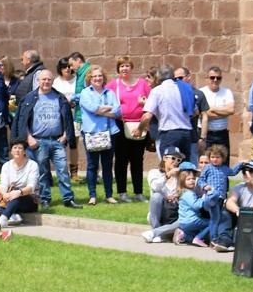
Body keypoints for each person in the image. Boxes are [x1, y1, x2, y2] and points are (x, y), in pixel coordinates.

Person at [16, 69, 80, 209]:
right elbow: (22, 121)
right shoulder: (29, 98)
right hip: (39, 141)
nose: (46, 82)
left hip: (57, 141)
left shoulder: (60, 97)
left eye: (49, 79)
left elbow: (67, 119)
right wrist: (29, 138)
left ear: (52, 81)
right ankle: (45, 199)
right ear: (38, 81)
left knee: (63, 170)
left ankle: (68, 199)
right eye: (43, 79)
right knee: (42, 172)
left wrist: (65, 136)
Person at [105, 56, 151, 203]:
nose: (124, 69)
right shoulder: (114, 85)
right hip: (120, 125)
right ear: (118, 69)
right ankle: (122, 192)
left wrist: (145, 103)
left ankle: (138, 192)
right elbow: (104, 99)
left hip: (140, 125)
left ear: (132, 68)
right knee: (121, 160)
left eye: (127, 66)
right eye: (121, 66)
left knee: (137, 160)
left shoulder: (142, 84)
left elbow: (152, 102)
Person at [80, 66, 120, 205]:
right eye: (94, 76)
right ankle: (92, 195)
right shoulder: (85, 93)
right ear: (89, 79)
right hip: (91, 133)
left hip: (110, 133)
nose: (97, 78)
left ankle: (109, 195)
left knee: (108, 165)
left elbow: (117, 110)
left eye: (100, 76)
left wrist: (101, 110)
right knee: (92, 166)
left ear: (103, 78)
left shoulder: (110, 93)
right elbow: (92, 108)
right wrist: (107, 109)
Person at [137, 66, 194, 158]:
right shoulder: (184, 88)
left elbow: (147, 116)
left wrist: (139, 130)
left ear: (158, 77)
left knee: (168, 166)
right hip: (186, 132)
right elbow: (194, 111)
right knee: (185, 167)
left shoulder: (158, 90)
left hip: (169, 133)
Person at [216, 158, 253, 251]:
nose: (246, 174)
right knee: (225, 211)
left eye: (250, 171)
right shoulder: (238, 187)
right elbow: (230, 201)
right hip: (242, 215)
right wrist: (237, 210)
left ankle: (252, 243)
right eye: (244, 171)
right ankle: (225, 240)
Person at [141, 146, 186, 243]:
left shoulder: (180, 176)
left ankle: (155, 233)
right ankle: (157, 230)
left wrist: (177, 195)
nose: (176, 162)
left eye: (179, 160)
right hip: (159, 212)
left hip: (174, 211)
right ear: (165, 158)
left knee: (187, 216)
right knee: (156, 196)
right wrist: (168, 175)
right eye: (173, 158)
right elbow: (155, 186)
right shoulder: (154, 173)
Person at [196, 144, 232, 247]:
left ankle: (211, 238)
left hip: (221, 198)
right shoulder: (208, 168)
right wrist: (205, 186)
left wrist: (241, 165)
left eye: (217, 157)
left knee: (217, 218)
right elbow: (201, 180)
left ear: (223, 158)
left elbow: (233, 172)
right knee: (215, 218)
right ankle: (214, 239)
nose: (215, 159)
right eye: (212, 157)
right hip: (211, 196)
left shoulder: (225, 169)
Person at [0, 139, 40, 226]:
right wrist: (4, 193)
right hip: (9, 198)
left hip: (28, 200)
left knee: (16, 195)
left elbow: (31, 187)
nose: (17, 150)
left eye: (20, 148)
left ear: (24, 151)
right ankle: (13, 215)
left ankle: (4, 218)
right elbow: (3, 184)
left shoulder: (32, 165)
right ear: (11, 151)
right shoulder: (6, 166)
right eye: (15, 148)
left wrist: (19, 192)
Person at [52, 57, 80, 182]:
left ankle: (74, 172)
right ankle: (62, 172)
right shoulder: (56, 82)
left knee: (74, 144)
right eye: (64, 67)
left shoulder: (77, 80)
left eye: (69, 66)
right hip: (61, 117)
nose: (67, 69)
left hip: (75, 115)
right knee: (61, 144)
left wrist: (74, 101)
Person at [175, 66, 209, 163]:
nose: (178, 80)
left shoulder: (198, 94)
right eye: (175, 79)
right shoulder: (172, 93)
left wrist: (202, 138)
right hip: (176, 136)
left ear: (188, 77)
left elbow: (205, 117)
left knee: (192, 166)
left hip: (192, 137)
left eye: (180, 78)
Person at [200, 66, 234, 159]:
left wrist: (212, 109)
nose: (215, 80)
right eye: (212, 77)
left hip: (222, 134)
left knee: (224, 161)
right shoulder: (201, 92)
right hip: (207, 134)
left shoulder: (227, 92)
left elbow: (231, 110)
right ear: (207, 78)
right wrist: (223, 112)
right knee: (206, 162)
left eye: (218, 78)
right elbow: (202, 114)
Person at [175, 162, 210, 246]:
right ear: (182, 180)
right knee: (212, 222)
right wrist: (204, 197)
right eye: (188, 179)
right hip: (191, 221)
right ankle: (198, 238)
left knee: (190, 239)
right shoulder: (188, 193)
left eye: (193, 179)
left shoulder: (183, 192)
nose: (192, 181)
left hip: (183, 222)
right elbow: (196, 205)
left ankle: (182, 235)